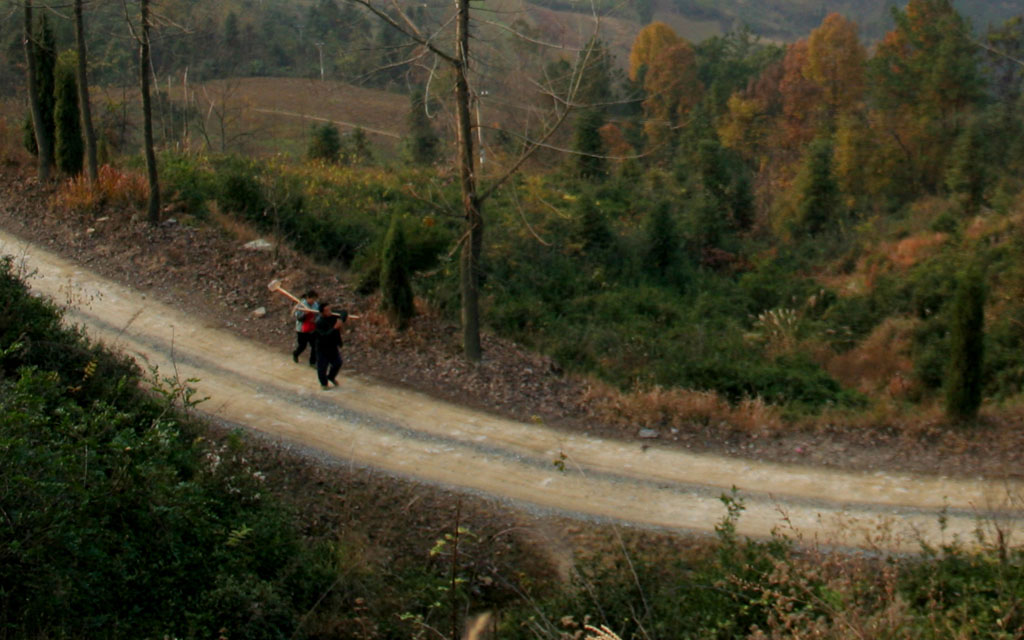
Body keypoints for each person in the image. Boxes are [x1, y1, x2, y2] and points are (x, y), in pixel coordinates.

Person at [313, 301, 348, 389]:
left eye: (330, 309)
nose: (330, 312)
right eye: (327, 311)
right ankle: (324, 384)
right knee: (322, 366)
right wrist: (334, 328)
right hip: (322, 347)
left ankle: (331, 377)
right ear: (322, 312)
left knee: (337, 363)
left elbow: (344, 313)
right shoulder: (318, 322)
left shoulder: (333, 315)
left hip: (332, 345)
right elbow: (324, 336)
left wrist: (341, 320)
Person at [292, 290, 320, 367]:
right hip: (302, 329)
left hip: (312, 328)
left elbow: (318, 314)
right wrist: (305, 314)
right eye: (312, 299)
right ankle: (296, 353)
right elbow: (298, 317)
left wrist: (315, 320)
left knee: (315, 346)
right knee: (302, 345)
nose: (313, 301)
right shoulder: (301, 305)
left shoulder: (315, 305)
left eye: (315, 299)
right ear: (308, 298)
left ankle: (312, 362)